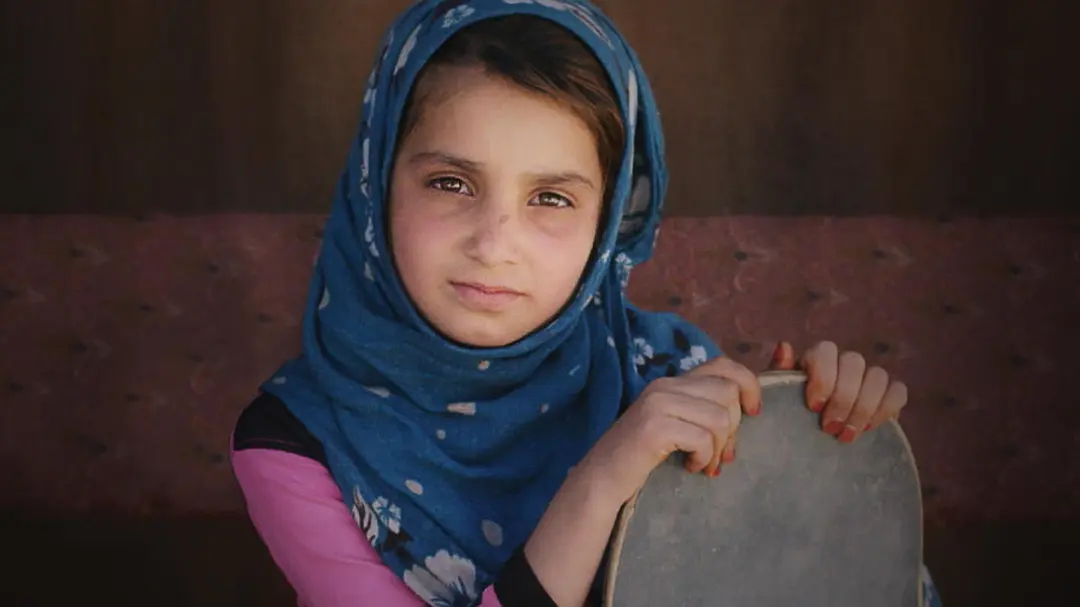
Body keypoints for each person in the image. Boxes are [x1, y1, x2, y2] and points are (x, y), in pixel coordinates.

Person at [229, 1, 941, 605]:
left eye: (551, 198)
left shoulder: (672, 375)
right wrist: (604, 476)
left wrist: (819, 450)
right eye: (450, 182)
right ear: (373, 183)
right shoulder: (296, 442)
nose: (495, 242)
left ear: (607, 228)